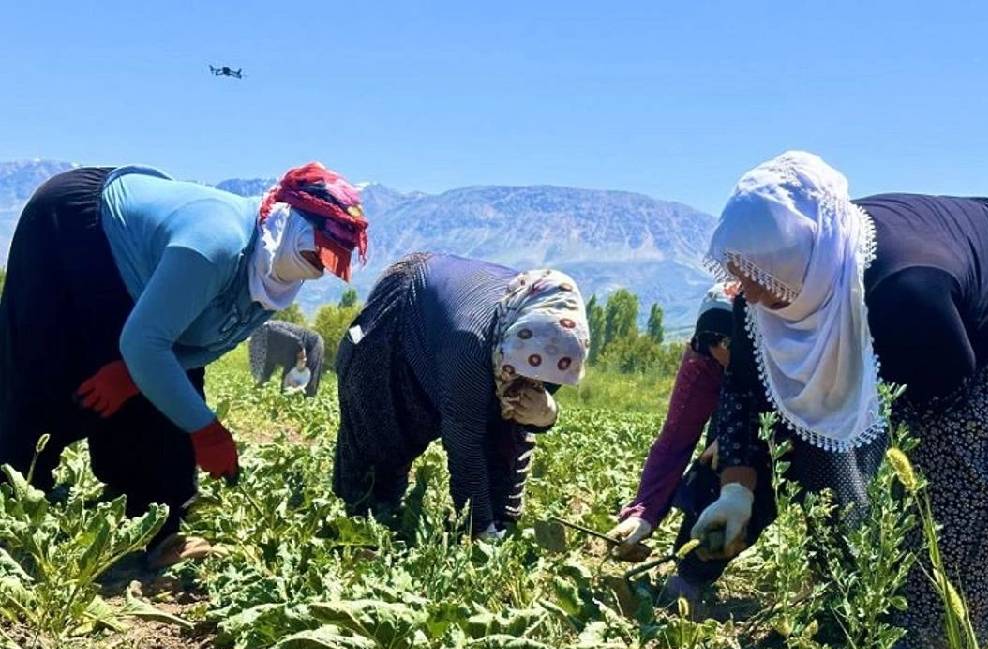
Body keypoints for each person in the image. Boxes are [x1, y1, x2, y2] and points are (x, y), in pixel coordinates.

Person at [672, 151, 988, 649]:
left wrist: (868, 522)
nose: (756, 298)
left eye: (767, 286)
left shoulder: (908, 296)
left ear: (807, 267)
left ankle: (938, 645)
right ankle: (853, 611)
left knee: (963, 483)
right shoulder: (764, 287)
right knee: (814, 443)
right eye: (746, 281)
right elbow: (745, 390)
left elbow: (921, 415)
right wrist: (736, 493)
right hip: (933, 298)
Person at [0, 162, 369, 565]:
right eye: (320, 251)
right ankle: (15, 501)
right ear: (290, 222)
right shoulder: (216, 245)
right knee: (50, 364)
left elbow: (206, 343)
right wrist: (206, 431)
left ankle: (158, 526)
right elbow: (143, 344)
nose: (321, 269)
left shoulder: (277, 273)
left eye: (332, 261)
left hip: (138, 262)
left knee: (163, 381)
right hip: (74, 223)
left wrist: (134, 374)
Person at [333, 253, 590, 538]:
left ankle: (496, 521)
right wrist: (480, 528)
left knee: (509, 421)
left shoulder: (550, 341)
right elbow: (465, 444)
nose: (531, 382)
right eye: (520, 372)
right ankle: (364, 526)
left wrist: (545, 414)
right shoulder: (470, 344)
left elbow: (518, 422)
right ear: (509, 348)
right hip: (402, 320)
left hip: (459, 334)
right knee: (381, 443)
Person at [605, 282, 736, 560]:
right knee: (713, 465)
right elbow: (674, 441)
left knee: (731, 454)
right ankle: (694, 565)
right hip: (730, 416)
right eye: (713, 342)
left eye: (728, 342)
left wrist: (736, 437)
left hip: (794, 429)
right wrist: (643, 513)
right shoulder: (703, 360)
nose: (721, 350)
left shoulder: (780, 356)